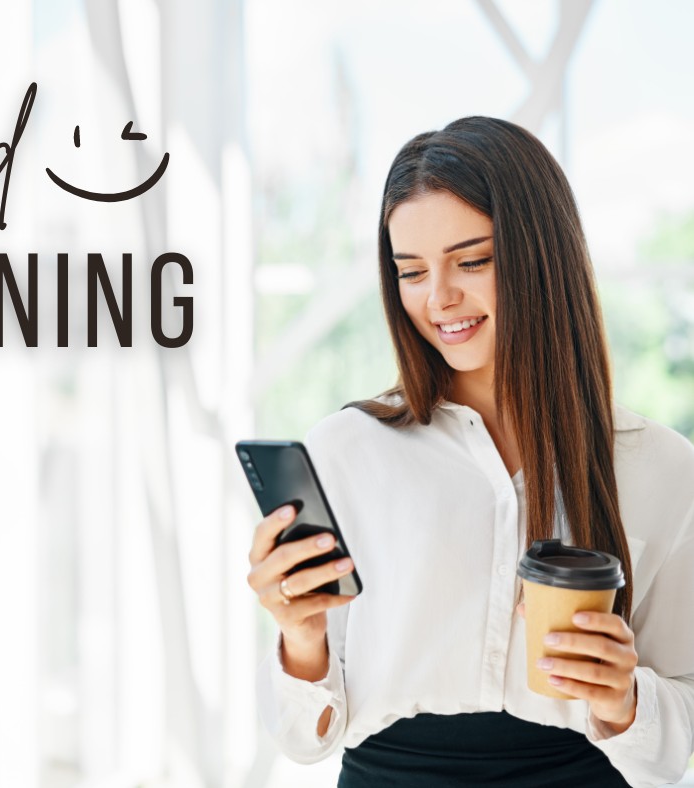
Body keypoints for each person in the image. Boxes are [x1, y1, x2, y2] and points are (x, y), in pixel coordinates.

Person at [246, 116, 694, 787]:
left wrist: (624, 699)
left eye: (473, 260)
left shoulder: (661, 468)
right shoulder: (348, 451)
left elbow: (675, 743)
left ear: (544, 253)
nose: (438, 297)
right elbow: (303, 741)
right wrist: (300, 637)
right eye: (411, 271)